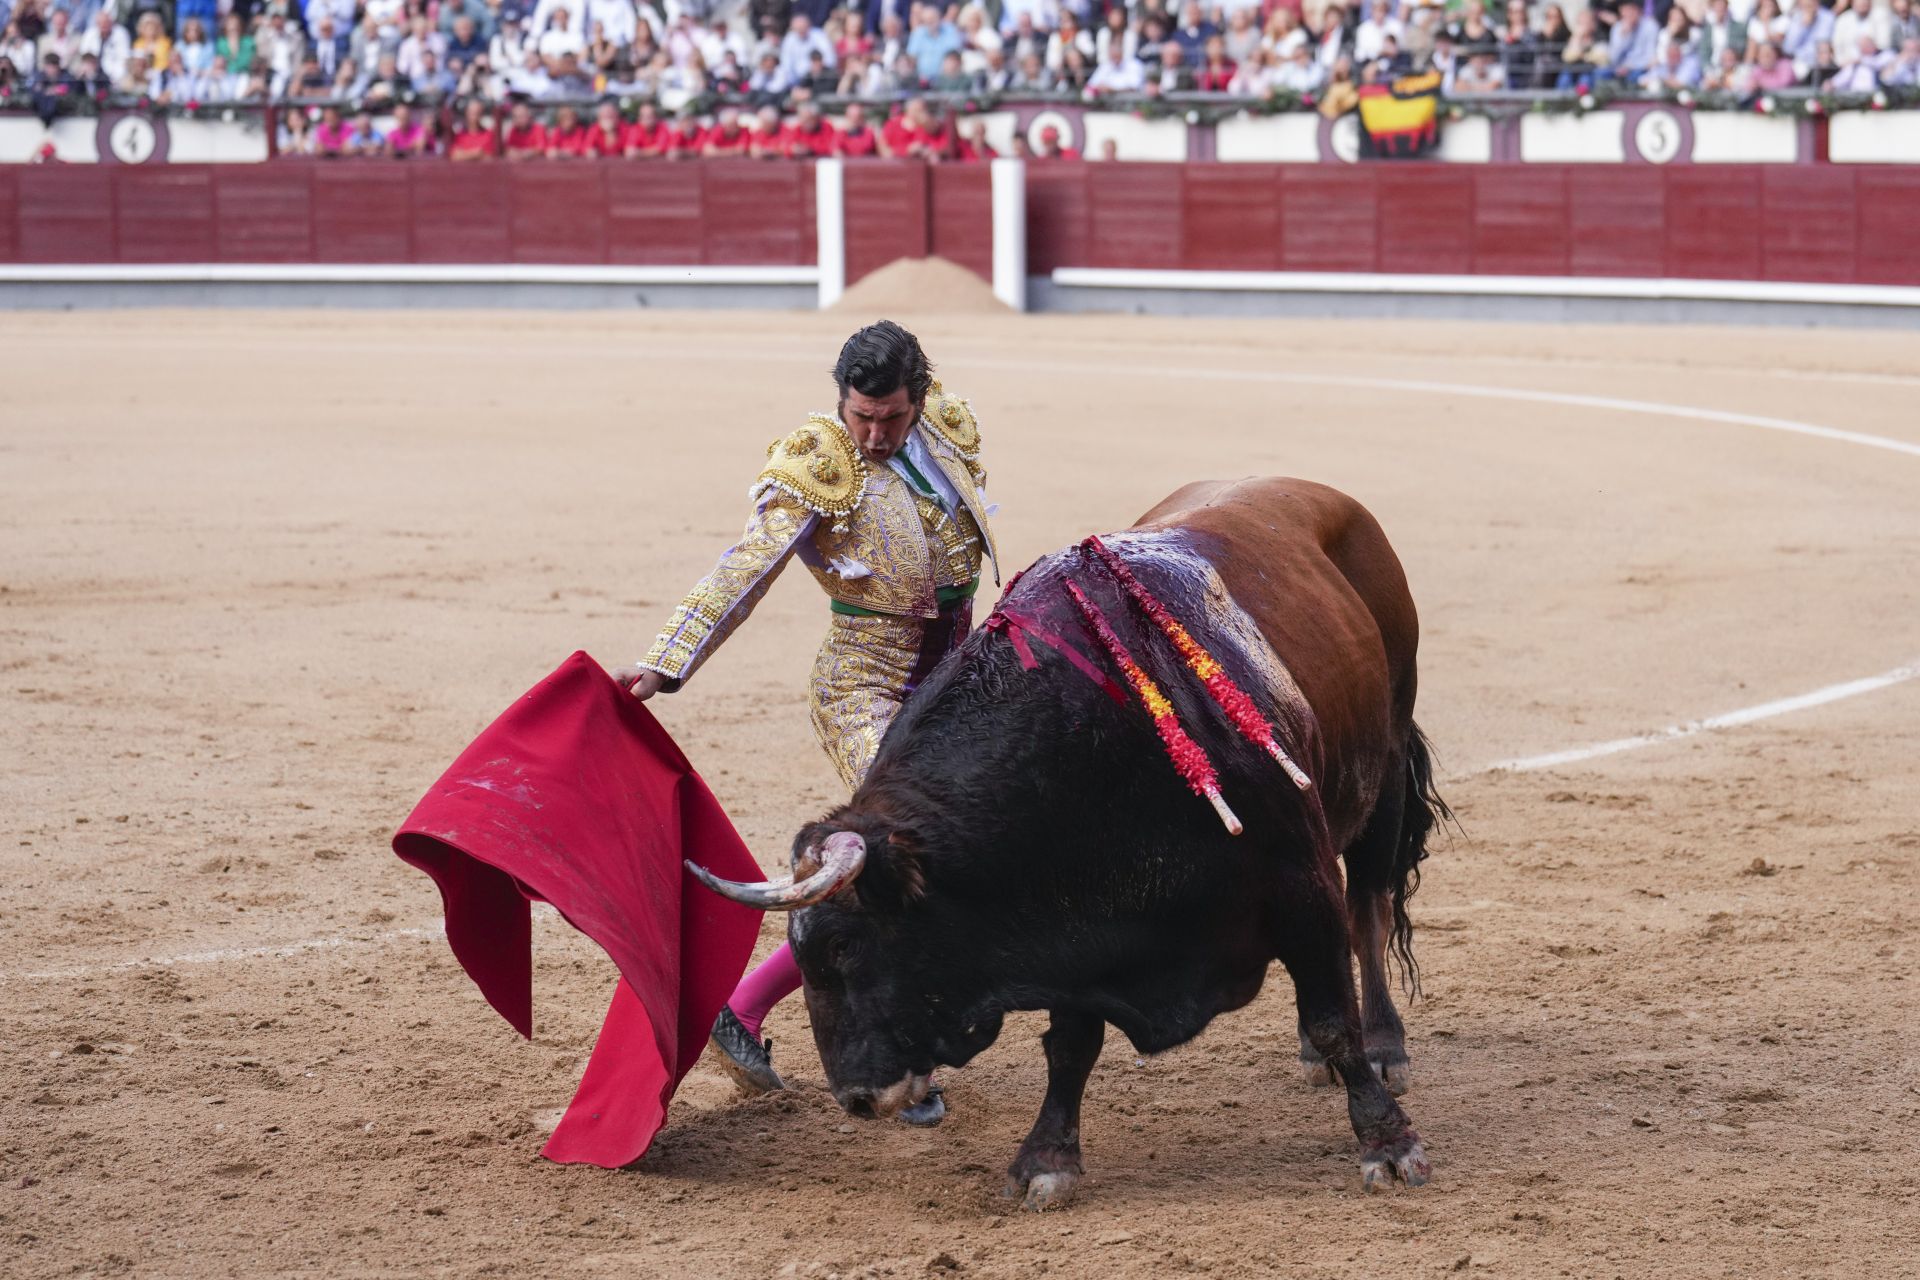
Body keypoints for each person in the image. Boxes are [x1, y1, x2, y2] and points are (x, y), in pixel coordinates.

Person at [614, 323, 1001, 1128]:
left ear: (918, 400)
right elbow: (743, 570)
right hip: (865, 685)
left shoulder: (948, 428)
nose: (873, 434)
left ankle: (898, 1038)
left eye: (890, 418)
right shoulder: (819, 464)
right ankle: (778, 1019)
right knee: (894, 864)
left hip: (950, 682)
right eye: (860, 416)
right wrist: (664, 662)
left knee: (962, 855)